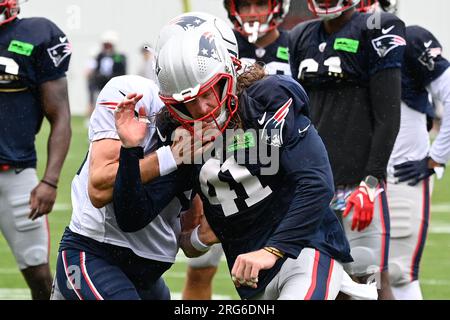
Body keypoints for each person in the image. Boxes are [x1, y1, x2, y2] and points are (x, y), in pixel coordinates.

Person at [113, 24, 379, 300]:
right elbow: (132, 217)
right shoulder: (178, 134)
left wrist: (272, 250)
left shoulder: (266, 102)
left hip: (304, 249)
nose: (203, 108)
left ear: (228, 74)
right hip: (251, 275)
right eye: (189, 101)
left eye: (209, 92)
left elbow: (316, 183)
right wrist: (130, 150)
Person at [50, 74, 214, 300]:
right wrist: (170, 157)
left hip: (149, 275)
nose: (206, 106)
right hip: (96, 252)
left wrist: (208, 235)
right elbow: (99, 187)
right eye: (201, 94)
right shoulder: (137, 96)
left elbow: (188, 241)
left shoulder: (212, 135)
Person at [289, 0, 406, 299]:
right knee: (326, 281)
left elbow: (388, 114)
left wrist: (371, 180)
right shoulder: (301, 35)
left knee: (371, 280)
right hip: (315, 184)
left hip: (357, 183)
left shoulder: (376, 27)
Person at [183, 0, 293, 300]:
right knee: (201, 267)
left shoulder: (294, 43)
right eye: (245, 5)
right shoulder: (218, 45)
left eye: (260, 3)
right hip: (221, 169)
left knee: (288, 269)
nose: (253, 12)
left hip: (276, 172)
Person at [360, 0, 450, 300]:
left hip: (401, 175)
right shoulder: (328, 44)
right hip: (351, 177)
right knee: (357, 273)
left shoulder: (409, 39)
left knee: (397, 272)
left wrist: (437, 158)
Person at [0, 0, 72, 299]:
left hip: (15, 174)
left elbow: (61, 115)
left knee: (39, 274)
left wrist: (50, 180)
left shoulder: (38, 34)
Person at [91, 30, 127, 97]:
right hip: (101, 87)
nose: (107, 48)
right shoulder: (100, 56)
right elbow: (96, 70)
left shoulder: (119, 56)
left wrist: (110, 78)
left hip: (115, 87)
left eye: (108, 45)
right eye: (105, 45)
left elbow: (122, 72)